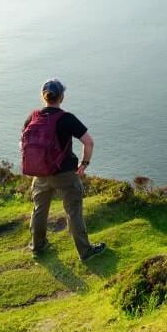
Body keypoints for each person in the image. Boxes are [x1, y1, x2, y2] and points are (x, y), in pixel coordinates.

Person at [22, 78, 106, 260]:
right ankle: (85, 251)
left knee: (39, 210)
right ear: (62, 97)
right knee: (73, 211)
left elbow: (24, 142)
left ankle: (37, 246)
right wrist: (84, 164)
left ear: (43, 96)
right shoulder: (66, 118)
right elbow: (89, 142)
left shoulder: (33, 117)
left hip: (41, 173)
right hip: (65, 174)